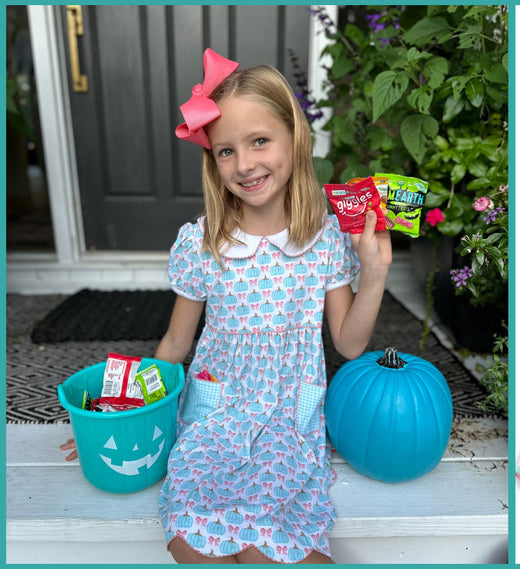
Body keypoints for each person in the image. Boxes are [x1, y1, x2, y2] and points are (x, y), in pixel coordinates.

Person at [60, 48, 391, 563]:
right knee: (189, 537)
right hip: (215, 419)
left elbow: (349, 345)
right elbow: (175, 342)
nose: (245, 164)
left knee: (265, 542)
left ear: (295, 138)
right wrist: (119, 419)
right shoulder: (203, 243)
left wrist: (374, 274)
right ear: (212, 161)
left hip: (286, 418)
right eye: (226, 151)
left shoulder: (324, 242)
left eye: (260, 141)